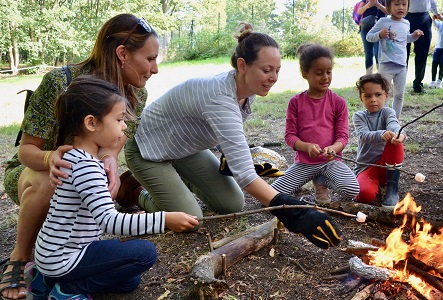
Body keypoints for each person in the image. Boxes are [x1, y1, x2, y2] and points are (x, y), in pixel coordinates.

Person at [125, 23, 342, 249]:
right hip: (148, 149)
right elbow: (246, 177)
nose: (273, 77)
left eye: (277, 70)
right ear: (242, 65)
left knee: (232, 203)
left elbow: (224, 135)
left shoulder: (248, 90)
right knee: (191, 220)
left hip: (185, 149)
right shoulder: (220, 97)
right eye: (267, 70)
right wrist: (294, 213)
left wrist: (236, 157)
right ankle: (135, 191)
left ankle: (174, 182)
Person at [1, 14, 159, 300]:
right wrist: (52, 159)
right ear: (122, 53)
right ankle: (21, 257)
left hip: (80, 178)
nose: (155, 69)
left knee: (128, 278)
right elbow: (26, 151)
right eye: (150, 59)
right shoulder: (61, 81)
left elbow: (114, 142)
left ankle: (60, 277)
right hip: (36, 174)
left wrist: (110, 160)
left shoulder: (137, 93)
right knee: (59, 173)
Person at [25, 76, 199, 300]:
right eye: (118, 120)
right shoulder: (87, 167)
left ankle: (45, 280)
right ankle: (68, 290)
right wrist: (164, 219)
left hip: (51, 255)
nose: (124, 126)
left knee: (129, 280)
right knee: (145, 254)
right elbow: (110, 221)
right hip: (64, 258)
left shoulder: (74, 157)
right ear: (91, 123)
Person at [270, 44, 359, 205]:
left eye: (329, 72)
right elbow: (290, 136)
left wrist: (334, 148)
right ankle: (300, 181)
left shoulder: (338, 102)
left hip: (330, 163)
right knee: (270, 196)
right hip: (304, 164)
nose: (325, 77)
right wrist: (307, 147)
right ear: (305, 74)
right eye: (319, 73)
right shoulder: (296, 102)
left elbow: (343, 137)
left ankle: (322, 181)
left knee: (352, 190)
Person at [353, 73, 407, 208]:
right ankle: (375, 183)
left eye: (378, 95)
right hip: (367, 167)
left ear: (386, 96)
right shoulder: (359, 116)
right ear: (361, 98)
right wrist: (381, 134)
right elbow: (364, 135)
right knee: (364, 195)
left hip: (388, 166)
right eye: (367, 96)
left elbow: (394, 125)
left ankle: (392, 187)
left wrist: (400, 135)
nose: (373, 100)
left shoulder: (388, 112)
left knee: (395, 140)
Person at [367, 0, 424, 118]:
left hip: (402, 65)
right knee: (383, 93)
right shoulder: (383, 21)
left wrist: (414, 36)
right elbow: (369, 37)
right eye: (396, 4)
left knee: (399, 94)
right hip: (386, 64)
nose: (400, 7)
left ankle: (394, 120)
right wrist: (379, 35)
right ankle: (383, 118)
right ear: (388, 6)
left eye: (404, 4)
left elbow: (405, 38)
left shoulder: (406, 23)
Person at [405, 0, 440, 94]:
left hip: (424, 19)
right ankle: (400, 83)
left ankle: (418, 84)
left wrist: (437, 13)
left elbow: (432, 2)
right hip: (406, 17)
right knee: (403, 53)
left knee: (422, 53)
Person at [357, 0, 388, 75]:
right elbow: (359, 11)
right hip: (366, 29)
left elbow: (388, 11)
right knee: (368, 54)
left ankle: (381, 76)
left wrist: (378, 5)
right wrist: (368, 5)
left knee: (378, 54)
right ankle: (368, 75)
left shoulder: (384, 1)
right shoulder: (366, 1)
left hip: (379, 30)